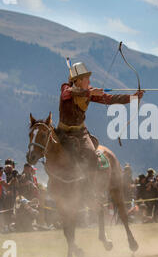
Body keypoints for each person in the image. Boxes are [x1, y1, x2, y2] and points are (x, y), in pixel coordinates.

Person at [57, 61, 144, 201]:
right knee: (47, 148)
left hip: (80, 132)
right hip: (62, 132)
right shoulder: (66, 87)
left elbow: (110, 99)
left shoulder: (90, 92)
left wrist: (132, 98)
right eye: (86, 78)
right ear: (78, 80)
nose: (89, 81)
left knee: (92, 155)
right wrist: (89, 92)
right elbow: (67, 94)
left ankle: (89, 190)